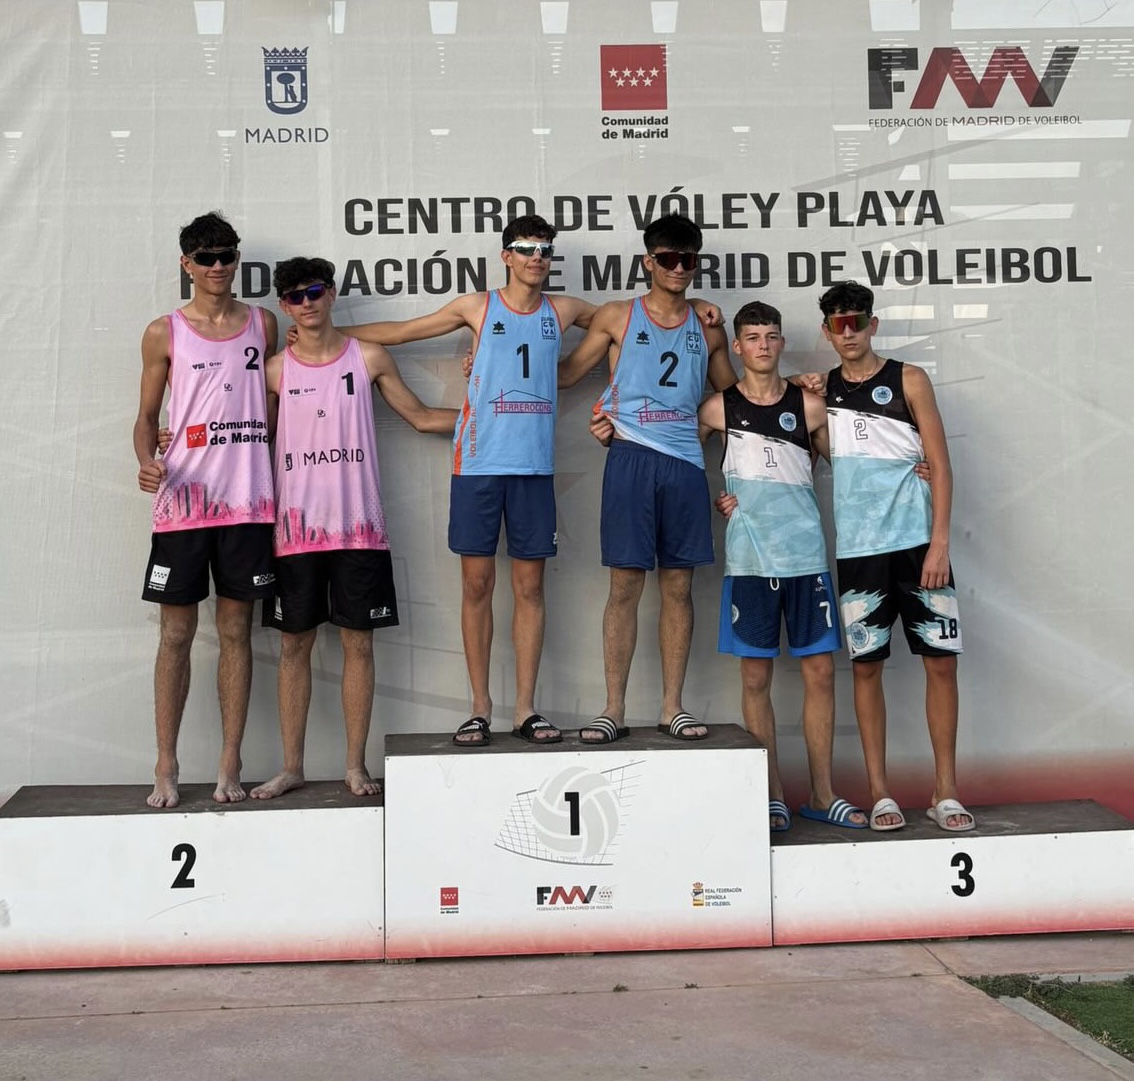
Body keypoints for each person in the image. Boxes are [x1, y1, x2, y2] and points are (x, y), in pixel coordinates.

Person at [329, 215, 718, 747]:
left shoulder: (570, 309)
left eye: (544, 250)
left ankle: (527, 710)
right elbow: (403, 332)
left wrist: (696, 308)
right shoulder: (476, 306)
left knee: (531, 588)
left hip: (534, 467)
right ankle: (479, 709)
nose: (536, 257)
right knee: (476, 586)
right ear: (506, 256)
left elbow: (641, 314)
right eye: (525, 248)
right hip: (478, 464)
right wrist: (322, 334)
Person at [250, 258, 457, 799]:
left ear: (332, 292)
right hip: (295, 536)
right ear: (283, 306)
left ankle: (354, 765)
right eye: (294, 296)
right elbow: (249, 442)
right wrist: (170, 440)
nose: (307, 302)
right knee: (294, 648)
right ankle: (292, 766)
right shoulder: (273, 370)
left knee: (358, 647)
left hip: (359, 532)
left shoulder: (367, 356)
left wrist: (499, 415)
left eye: (314, 291)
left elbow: (420, 416)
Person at [558, 213, 736, 743]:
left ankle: (671, 707)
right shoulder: (617, 316)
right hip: (630, 458)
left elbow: (732, 397)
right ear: (648, 262)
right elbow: (566, 375)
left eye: (688, 259)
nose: (678, 268)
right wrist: (491, 361)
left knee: (678, 587)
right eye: (668, 259)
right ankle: (612, 708)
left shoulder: (708, 326)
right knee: (625, 586)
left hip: (684, 462)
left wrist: (797, 388)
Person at [699, 301, 867, 831]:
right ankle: (771, 794)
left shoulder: (811, 406)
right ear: (740, 347)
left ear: (782, 343)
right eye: (752, 338)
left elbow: (857, 463)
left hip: (805, 559)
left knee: (820, 673)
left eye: (771, 336)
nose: (763, 346)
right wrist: (713, 500)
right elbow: (675, 460)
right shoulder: (717, 409)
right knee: (756, 679)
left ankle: (822, 793)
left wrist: (917, 467)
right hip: (750, 562)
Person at [134, 211, 277, 809]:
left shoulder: (264, 324)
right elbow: (145, 420)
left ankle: (229, 763)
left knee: (237, 633)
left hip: (247, 504)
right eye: (207, 257)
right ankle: (165, 764)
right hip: (185, 504)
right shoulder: (164, 331)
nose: (219, 267)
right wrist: (146, 460)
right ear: (186, 264)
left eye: (228, 256)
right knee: (176, 634)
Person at [819, 280, 972, 832]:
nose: (849, 332)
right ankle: (881, 793)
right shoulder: (818, 393)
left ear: (873, 325)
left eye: (857, 321)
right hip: (860, 553)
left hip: (919, 547)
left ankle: (946, 791)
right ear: (827, 332)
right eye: (838, 324)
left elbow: (942, 464)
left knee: (942, 664)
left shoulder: (909, 378)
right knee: (866, 670)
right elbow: (760, 407)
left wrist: (940, 543)